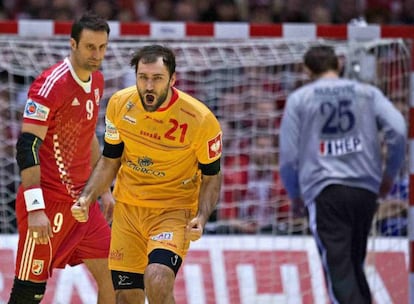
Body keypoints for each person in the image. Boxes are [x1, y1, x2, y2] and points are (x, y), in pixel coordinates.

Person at [71, 44, 223, 304]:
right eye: (143, 78)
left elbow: (212, 176)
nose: (149, 86)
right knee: (126, 297)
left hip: (172, 211)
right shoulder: (120, 104)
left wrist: (201, 216)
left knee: (157, 278)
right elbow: (110, 161)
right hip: (128, 212)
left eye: (157, 78)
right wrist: (87, 196)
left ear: (172, 80)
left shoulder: (200, 119)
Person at [279, 45, 406, 304]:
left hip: (325, 189)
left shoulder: (300, 99)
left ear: (306, 70)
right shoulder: (368, 93)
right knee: (353, 265)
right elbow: (398, 129)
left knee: (339, 270)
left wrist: (295, 196)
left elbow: (289, 157)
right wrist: (389, 175)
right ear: (339, 64)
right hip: (365, 189)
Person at [8, 12, 115, 304]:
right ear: (73, 44)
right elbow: (27, 146)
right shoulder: (50, 85)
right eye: (90, 47)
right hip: (48, 201)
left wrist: (103, 190)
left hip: (83, 204)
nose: (97, 55)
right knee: (30, 292)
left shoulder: (97, 82)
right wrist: (35, 208)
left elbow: (88, 135)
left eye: (102, 47)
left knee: (116, 277)